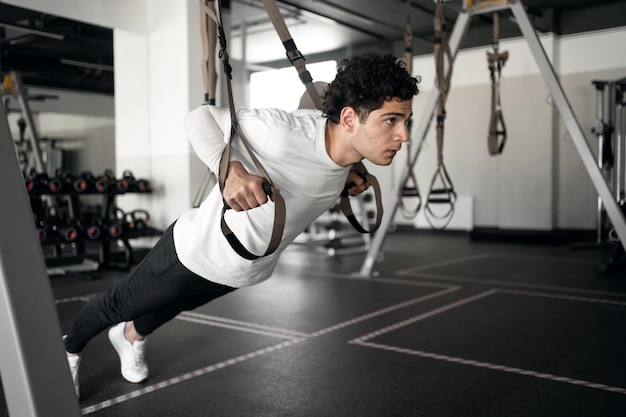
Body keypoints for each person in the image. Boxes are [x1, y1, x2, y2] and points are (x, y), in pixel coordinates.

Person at [63, 52, 420, 398]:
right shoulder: (279, 131)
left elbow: (321, 112)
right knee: (119, 304)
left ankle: (129, 338)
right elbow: (198, 118)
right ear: (348, 120)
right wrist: (229, 169)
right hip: (195, 249)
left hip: (244, 268)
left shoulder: (346, 159)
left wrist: (351, 175)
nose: (403, 135)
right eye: (391, 120)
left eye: (406, 121)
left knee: (174, 305)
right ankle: (68, 354)